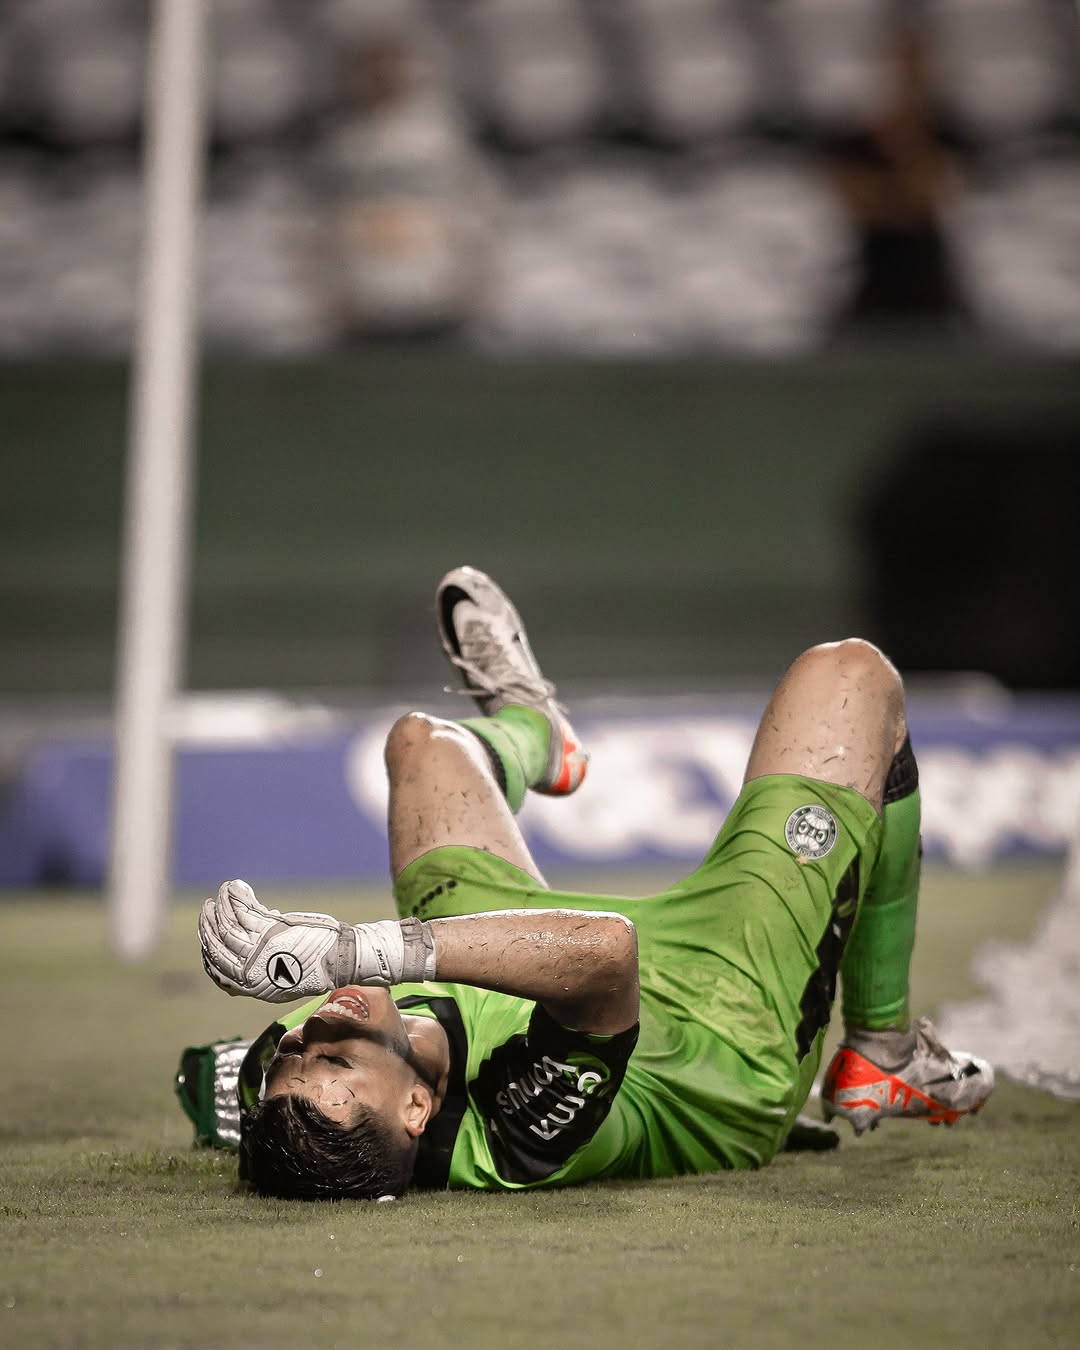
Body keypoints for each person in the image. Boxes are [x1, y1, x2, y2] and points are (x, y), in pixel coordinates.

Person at [184, 565, 993, 1199]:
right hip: (715, 1029)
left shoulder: (284, 1090)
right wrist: (357, 951)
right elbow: (608, 955)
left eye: (295, 1052)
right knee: (852, 677)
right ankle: (882, 1049)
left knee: (422, 745)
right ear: (417, 1111)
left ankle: (536, 727)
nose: (312, 1032)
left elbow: (217, 1081)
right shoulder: (517, 1136)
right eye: (336, 1061)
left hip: (526, 956)